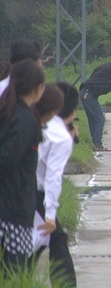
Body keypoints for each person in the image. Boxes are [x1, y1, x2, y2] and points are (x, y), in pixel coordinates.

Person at [0, 59, 45, 274]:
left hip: (9, 206)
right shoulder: (25, 119)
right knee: (14, 274)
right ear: (38, 89)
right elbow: (7, 160)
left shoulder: (9, 110)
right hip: (13, 209)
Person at [34, 82, 79, 287]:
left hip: (19, 187)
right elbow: (52, 177)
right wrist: (50, 215)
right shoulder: (60, 137)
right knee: (54, 238)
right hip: (34, 193)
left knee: (39, 242)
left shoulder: (31, 120)